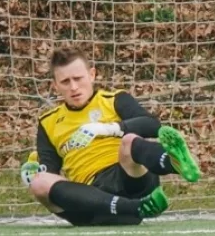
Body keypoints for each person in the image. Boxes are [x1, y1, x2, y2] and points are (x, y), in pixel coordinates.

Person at [20, 45, 201, 226]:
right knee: (39, 183)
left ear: (92, 75)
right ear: (55, 85)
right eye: (65, 82)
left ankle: (173, 163)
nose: (74, 87)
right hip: (91, 200)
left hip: (130, 181)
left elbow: (152, 125)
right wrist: (36, 172)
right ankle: (133, 208)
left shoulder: (114, 100)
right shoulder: (48, 122)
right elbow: (51, 171)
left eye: (78, 78)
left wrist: (108, 129)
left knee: (129, 141)